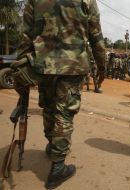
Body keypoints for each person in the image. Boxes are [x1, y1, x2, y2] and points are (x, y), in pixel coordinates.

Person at [17, 0, 105, 189]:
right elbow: (96, 36)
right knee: (64, 113)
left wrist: (21, 65)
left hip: (44, 65)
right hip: (72, 66)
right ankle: (58, 167)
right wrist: (102, 65)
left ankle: (52, 145)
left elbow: (26, 34)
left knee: (49, 106)